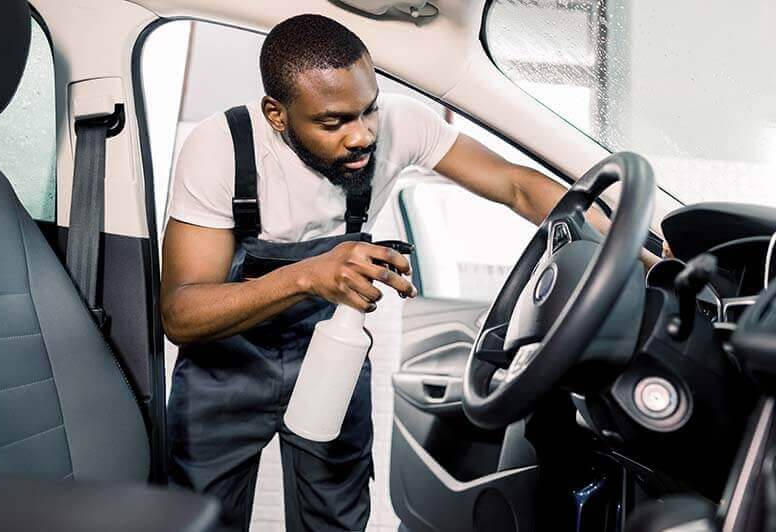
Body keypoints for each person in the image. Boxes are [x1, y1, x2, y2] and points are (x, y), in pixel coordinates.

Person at [161, 13, 655, 531]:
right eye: (333, 122)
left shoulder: (400, 125)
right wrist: (308, 275)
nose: (361, 135)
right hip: (226, 366)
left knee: (335, 518)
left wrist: (640, 251)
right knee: (201, 519)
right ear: (277, 114)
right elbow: (182, 313)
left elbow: (517, 186)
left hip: (331, 350)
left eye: (367, 110)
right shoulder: (221, 149)